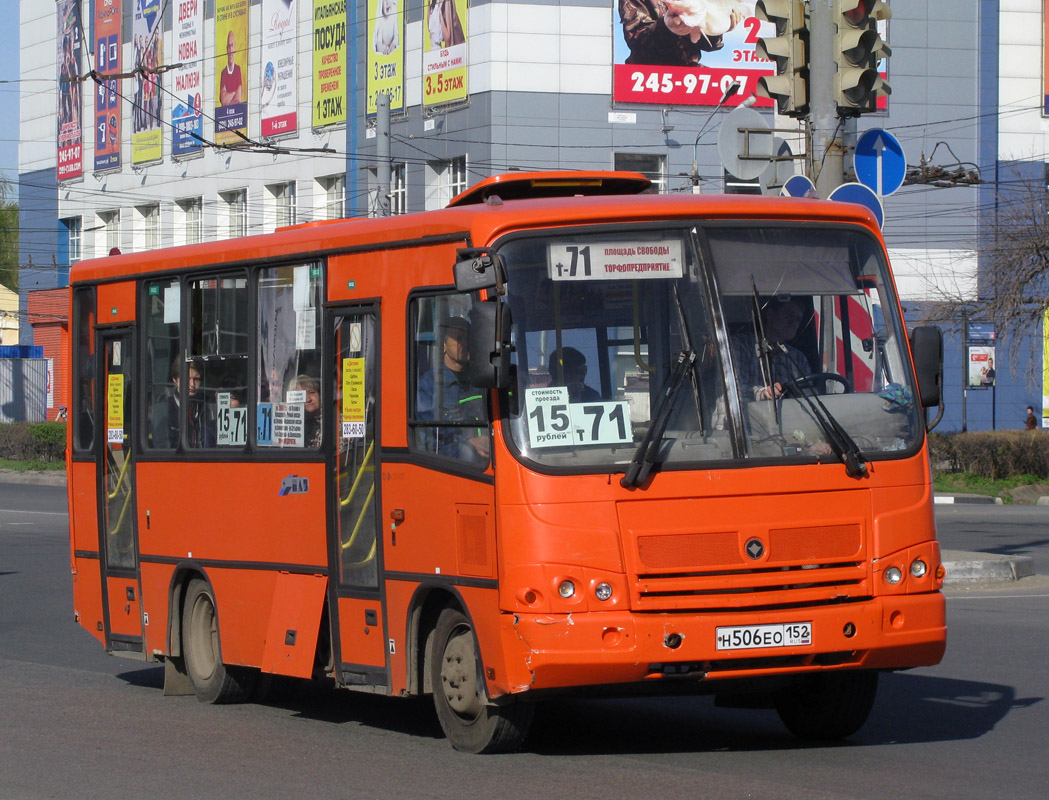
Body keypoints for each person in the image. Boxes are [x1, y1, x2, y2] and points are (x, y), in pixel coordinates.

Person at [416, 316, 489, 461]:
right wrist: (468, 445)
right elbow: (430, 444)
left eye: (468, 339)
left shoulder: (483, 379)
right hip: (452, 465)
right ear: (443, 345)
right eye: (459, 338)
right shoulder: (429, 385)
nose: (465, 344)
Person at [732, 297, 812, 401]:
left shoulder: (798, 359)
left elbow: (808, 395)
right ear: (770, 315)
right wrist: (763, 393)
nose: (793, 322)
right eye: (789, 315)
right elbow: (732, 390)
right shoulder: (741, 345)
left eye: (798, 319)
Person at [619, 0, 743, 67]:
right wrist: (667, 27)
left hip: (688, 75)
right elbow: (638, 40)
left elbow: (709, 45)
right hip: (646, 75)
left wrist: (721, 26)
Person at [151, 360, 210, 448]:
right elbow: (163, 448)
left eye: (196, 379)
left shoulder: (205, 406)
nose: (192, 384)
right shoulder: (163, 410)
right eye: (187, 379)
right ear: (175, 380)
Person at [291, 375, 322, 447]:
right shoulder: (288, 425)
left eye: (312, 392)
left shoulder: (337, 421)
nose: (308, 399)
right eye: (301, 395)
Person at [220, 30, 244, 106]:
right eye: (229, 46)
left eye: (232, 45)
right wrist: (234, 93)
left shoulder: (237, 69)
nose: (230, 49)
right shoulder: (223, 73)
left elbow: (238, 99)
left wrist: (228, 95)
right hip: (224, 114)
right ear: (226, 49)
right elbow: (224, 101)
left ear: (234, 48)